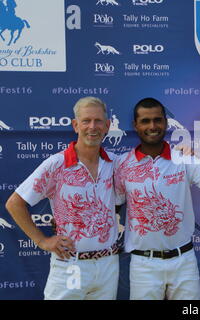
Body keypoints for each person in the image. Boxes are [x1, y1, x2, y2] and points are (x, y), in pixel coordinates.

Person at [5, 97, 120, 300]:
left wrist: (181, 156)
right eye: (86, 121)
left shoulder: (115, 163)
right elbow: (15, 203)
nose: (92, 127)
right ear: (76, 125)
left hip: (108, 265)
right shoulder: (57, 164)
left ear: (108, 126)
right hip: (70, 265)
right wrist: (42, 240)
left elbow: (152, 171)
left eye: (98, 121)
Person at [114, 97, 200, 300]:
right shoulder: (122, 165)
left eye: (158, 120)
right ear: (135, 125)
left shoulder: (182, 158)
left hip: (183, 260)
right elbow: (110, 205)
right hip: (143, 264)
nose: (152, 126)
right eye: (145, 121)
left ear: (166, 123)